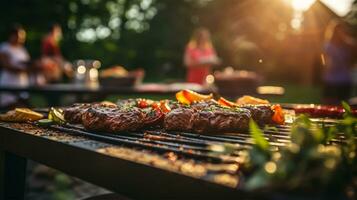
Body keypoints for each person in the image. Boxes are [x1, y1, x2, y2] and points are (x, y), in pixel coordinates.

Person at [323, 20, 356, 104]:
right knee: (330, 105)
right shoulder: (328, 46)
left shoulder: (348, 45)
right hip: (332, 81)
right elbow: (326, 63)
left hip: (343, 81)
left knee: (342, 106)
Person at [0, 25, 30, 109]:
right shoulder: (4, 47)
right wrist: (26, 69)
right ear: (12, 35)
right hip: (9, 84)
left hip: (22, 85)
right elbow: (6, 65)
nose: (21, 39)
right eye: (19, 36)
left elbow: (27, 63)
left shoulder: (22, 49)